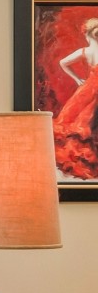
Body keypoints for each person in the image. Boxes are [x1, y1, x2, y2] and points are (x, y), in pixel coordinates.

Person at [55, 15, 98, 181]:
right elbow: (63, 63)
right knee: (87, 123)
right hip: (91, 89)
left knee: (86, 123)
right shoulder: (85, 51)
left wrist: (77, 79)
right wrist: (77, 79)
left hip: (89, 88)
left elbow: (63, 63)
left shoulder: (85, 52)